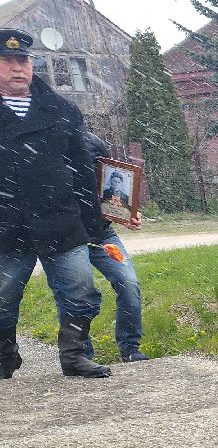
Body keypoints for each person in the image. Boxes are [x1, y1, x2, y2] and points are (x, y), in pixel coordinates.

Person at [0, 28, 109, 380]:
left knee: (82, 291)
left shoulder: (61, 110)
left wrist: (95, 223)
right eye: (7, 61)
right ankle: (4, 356)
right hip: (5, 226)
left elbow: (82, 169)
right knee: (1, 301)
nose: (18, 68)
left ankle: (74, 355)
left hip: (60, 220)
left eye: (23, 61)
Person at [73, 133, 147, 363]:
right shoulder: (51, 146)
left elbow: (110, 188)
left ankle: (130, 348)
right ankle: (81, 355)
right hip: (68, 239)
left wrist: (128, 214)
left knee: (129, 283)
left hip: (103, 234)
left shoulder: (94, 144)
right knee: (77, 293)